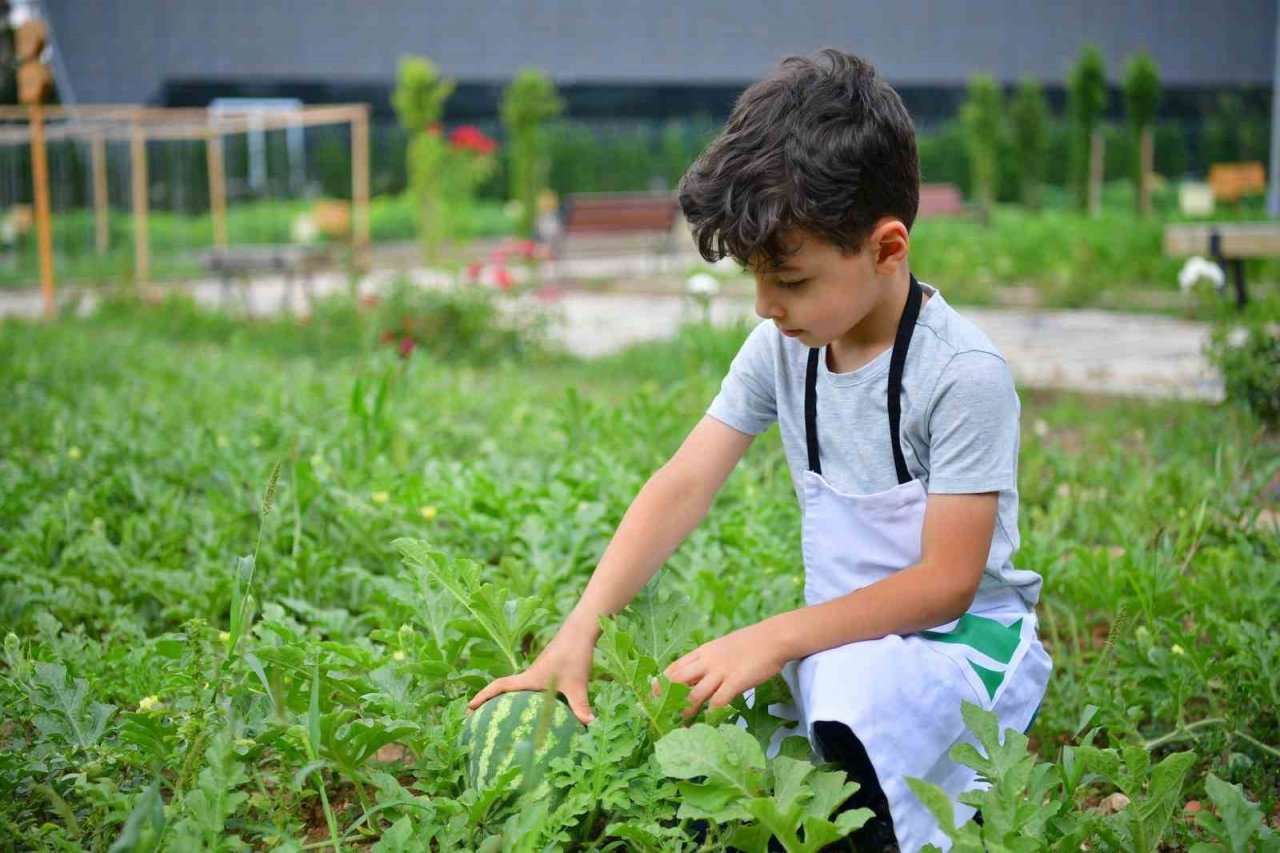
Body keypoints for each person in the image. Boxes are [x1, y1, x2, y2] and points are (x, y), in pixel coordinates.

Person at [467, 48, 1052, 853]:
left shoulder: (960, 375)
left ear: (887, 249)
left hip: (962, 647)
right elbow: (681, 484)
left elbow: (948, 585)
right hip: (836, 637)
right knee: (708, 714)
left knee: (839, 692)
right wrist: (578, 631)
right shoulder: (784, 347)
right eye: (754, 276)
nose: (766, 304)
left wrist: (775, 636)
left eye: (793, 279)